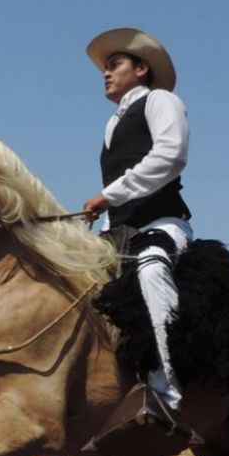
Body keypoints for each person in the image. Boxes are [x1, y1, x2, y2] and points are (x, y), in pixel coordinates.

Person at [82, 28, 192, 412]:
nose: (106, 73)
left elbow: (171, 155)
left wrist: (108, 195)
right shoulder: (111, 124)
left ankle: (168, 390)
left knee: (151, 269)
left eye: (115, 64)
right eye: (105, 67)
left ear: (141, 69)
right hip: (117, 233)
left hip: (161, 224)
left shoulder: (160, 100)